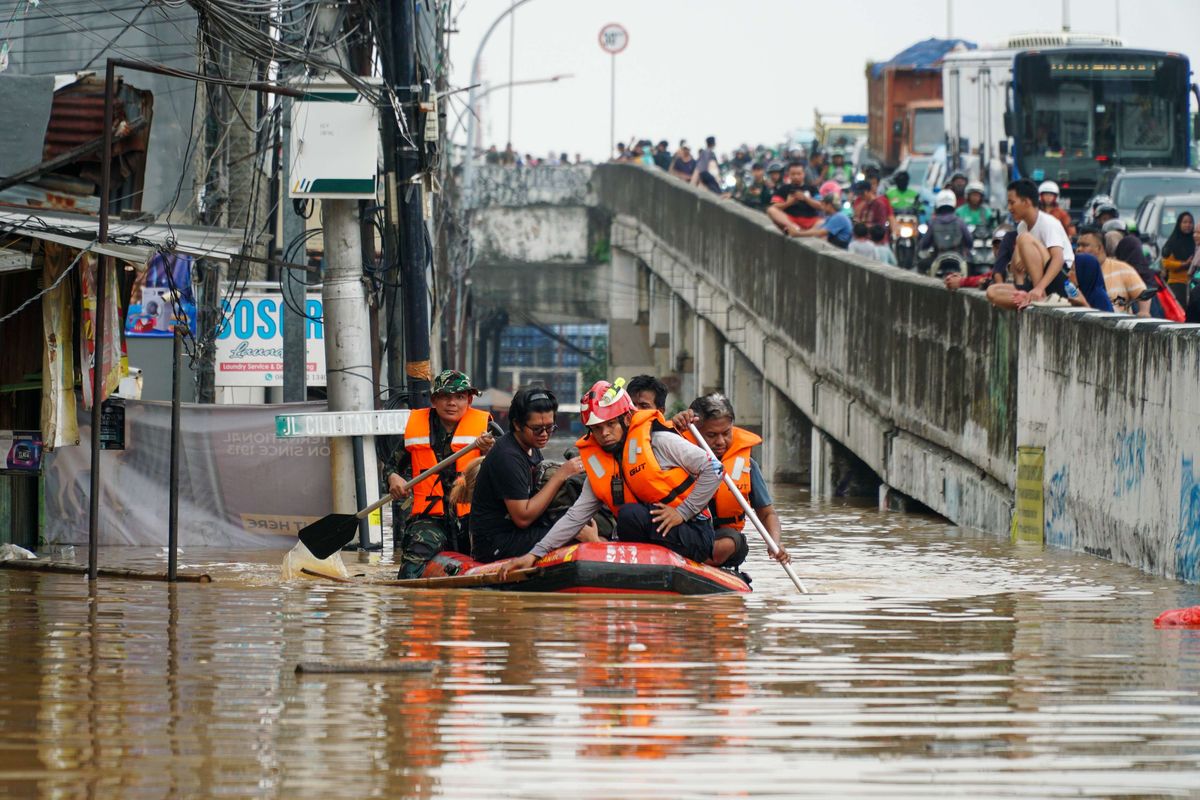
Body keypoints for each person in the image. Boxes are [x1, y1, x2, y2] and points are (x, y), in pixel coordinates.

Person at [497, 379, 721, 579]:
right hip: (651, 529)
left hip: (693, 531)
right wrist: (534, 554)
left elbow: (715, 469)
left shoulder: (658, 441)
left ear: (626, 418)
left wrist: (682, 512)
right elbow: (575, 516)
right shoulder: (600, 465)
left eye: (610, 425)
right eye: (596, 428)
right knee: (626, 518)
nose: (604, 433)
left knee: (629, 516)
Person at [383, 370, 500, 578]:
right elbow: (391, 467)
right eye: (445, 396)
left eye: (459, 397)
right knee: (413, 562)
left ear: (469, 400)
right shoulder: (417, 428)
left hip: (473, 517)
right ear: (434, 400)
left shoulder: (488, 431)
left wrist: (490, 451)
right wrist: (393, 478)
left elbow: (511, 467)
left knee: (491, 559)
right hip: (430, 519)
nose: (452, 403)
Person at [469, 387, 598, 562]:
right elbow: (523, 517)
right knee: (574, 536)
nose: (544, 434)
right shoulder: (507, 457)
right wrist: (560, 474)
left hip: (522, 531)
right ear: (517, 424)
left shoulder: (531, 447)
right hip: (497, 542)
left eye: (550, 427)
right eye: (537, 429)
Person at [673, 393, 790, 570]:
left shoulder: (747, 466)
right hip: (684, 531)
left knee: (729, 543)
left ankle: (695, 565)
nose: (720, 442)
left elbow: (767, 514)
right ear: (694, 430)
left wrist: (774, 543)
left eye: (726, 433)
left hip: (719, 539)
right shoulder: (675, 453)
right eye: (711, 435)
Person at [985, 178, 1073, 310]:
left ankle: (1040, 295)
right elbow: (1016, 268)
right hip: (1035, 282)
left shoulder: (1048, 222)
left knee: (1024, 239)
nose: (1009, 208)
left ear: (1026, 202)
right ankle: (1031, 299)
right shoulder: (1022, 226)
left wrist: (1039, 288)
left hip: (1061, 279)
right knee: (992, 292)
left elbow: (1058, 259)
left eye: (1012, 203)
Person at [1074, 226, 1149, 316]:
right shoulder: (1075, 271)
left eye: (1085, 245)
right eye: (1078, 245)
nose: (1079, 249)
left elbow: (1142, 294)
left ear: (1100, 248)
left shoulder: (1122, 269)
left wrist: (1144, 312)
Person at [946, 229, 1016, 292]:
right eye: (996, 247)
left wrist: (962, 281)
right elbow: (985, 277)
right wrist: (960, 280)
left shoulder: (1016, 266)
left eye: (1004, 247)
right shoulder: (998, 269)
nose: (999, 252)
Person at [766, 162, 823, 235]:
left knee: (823, 222)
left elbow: (821, 206)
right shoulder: (784, 188)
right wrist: (788, 203)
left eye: (799, 174)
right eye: (793, 174)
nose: (796, 177)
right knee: (771, 210)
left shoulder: (812, 188)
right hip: (791, 219)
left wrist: (806, 199)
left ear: (803, 174)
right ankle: (794, 228)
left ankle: (804, 233)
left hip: (810, 219)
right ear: (789, 175)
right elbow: (774, 206)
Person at [919, 190, 972, 259]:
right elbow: (969, 241)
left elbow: (925, 243)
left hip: (938, 257)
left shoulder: (933, 222)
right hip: (958, 258)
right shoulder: (960, 221)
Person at [1161, 211, 1196, 306]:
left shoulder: (1195, 242)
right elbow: (1166, 264)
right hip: (1176, 284)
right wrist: (1184, 264)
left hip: (1193, 284)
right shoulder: (1172, 242)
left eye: (1190, 223)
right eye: (1184, 222)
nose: (1188, 225)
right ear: (1179, 224)